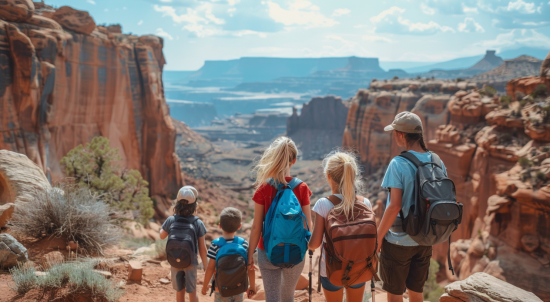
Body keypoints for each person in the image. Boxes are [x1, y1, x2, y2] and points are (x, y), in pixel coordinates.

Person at [377, 112, 447, 302]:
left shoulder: (398, 163)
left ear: (401, 134)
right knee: (417, 293)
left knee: (394, 295)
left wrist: (378, 238)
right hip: (425, 239)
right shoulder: (437, 161)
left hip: (399, 241)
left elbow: (394, 206)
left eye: (394, 132)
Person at [247, 136, 313, 302]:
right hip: (295, 251)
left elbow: (256, 227)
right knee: (287, 296)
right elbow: (308, 225)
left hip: (267, 251)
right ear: (294, 160)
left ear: (273, 158)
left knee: (272, 298)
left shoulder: (263, 188)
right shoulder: (302, 188)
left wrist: (249, 257)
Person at [308, 150, 372, 302]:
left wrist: (307, 242)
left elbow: (315, 244)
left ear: (328, 176)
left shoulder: (323, 204)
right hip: (359, 267)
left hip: (332, 270)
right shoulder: (365, 203)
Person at [160, 186, 208, 302]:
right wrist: (206, 267)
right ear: (194, 206)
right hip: (191, 262)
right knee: (192, 292)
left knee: (179, 291)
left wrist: (162, 228)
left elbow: (162, 236)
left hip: (174, 260)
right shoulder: (198, 223)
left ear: (176, 203)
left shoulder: (171, 220)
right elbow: (202, 248)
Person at [201, 207, 256, 302]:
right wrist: (252, 286)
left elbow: (210, 268)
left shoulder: (215, 244)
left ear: (220, 225)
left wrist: (205, 286)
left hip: (221, 289)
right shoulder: (244, 244)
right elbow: (250, 268)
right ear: (239, 226)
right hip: (239, 288)